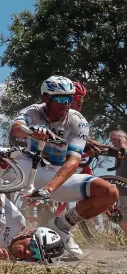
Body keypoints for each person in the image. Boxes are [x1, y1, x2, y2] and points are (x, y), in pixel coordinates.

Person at [7, 75, 119, 258]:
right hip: (29, 167)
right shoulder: (33, 111)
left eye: (69, 98)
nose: (66, 104)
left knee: (110, 192)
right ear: (46, 98)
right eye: (60, 99)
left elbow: (74, 161)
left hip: (55, 174)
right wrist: (32, 131)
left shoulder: (78, 120)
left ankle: (62, 226)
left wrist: (49, 189)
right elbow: (16, 128)